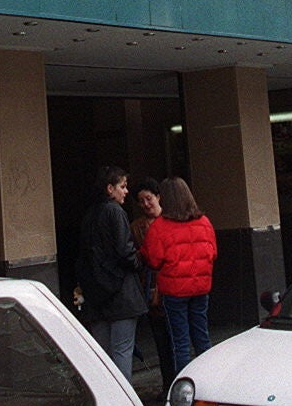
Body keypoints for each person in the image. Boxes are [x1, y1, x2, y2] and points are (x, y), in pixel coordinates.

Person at [76, 165, 147, 380]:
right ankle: (125, 405)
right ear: (110, 188)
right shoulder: (115, 212)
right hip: (122, 296)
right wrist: (138, 262)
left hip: (98, 297)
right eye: (123, 186)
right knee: (122, 352)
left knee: (103, 356)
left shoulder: (90, 214)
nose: (126, 192)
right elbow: (125, 252)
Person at [139, 177, 217, 373]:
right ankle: (207, 380)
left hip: (174, 291)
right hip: (200, 287)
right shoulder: (204, 222)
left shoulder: (159, 226)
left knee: (180, 343)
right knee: (202, 337)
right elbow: (213, 253)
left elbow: (154, 260)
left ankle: (183, 386)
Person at [130, 177, 175, 393]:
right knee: (161, 340)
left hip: (173, 285)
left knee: (178, 338)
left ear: (158, 196)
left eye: (148, 198)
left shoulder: (173, 220)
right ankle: (167, 385)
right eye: (141, 201)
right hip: (150, 287)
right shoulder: (136, 227)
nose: (146, 204)